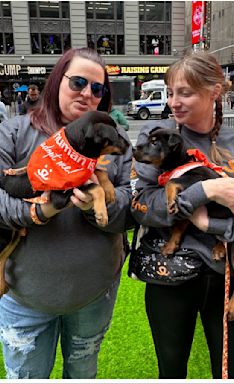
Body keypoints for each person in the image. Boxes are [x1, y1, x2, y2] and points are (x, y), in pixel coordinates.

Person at [131, 51, 234, 379]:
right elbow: (141, 208)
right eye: (171, 92)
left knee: (231, 374)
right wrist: (206, 192)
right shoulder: (156, 137)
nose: (174, 102)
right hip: (169, 275)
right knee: (171, 371)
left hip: (229, 276)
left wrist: (213, 224)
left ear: (215, 91)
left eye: (186, 92)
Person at [0, 48, 132, 379]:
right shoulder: (15, 132)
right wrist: (39, 212)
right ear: (57, 81)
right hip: (23, 297)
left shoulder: (111, 141)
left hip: (93, 293)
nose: (88, 94)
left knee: (83, 373)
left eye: (98, 88)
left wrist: (94, 209)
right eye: (78, 82)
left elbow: (132, 211)